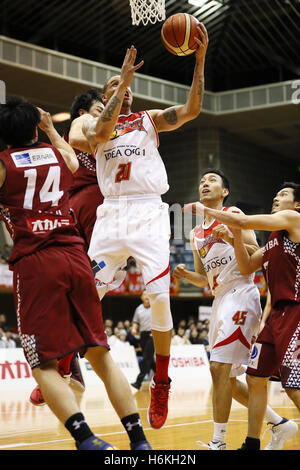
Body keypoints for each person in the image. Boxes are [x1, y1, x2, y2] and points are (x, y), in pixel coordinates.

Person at [73, 32, 209, 430]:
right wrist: (124, 80)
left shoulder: (148, 120)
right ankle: (66, 362)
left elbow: (192, 109)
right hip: (112, 213)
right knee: (87, 291)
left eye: (127, 85)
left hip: (148, 211)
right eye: (115, 85)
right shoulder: (92, 126)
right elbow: (99, 134)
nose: (125, 89)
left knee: (160, 301)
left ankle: (161, 381)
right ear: (107, 93)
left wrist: (199, 59)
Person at [0, 97, 151, 451]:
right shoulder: (58, 155)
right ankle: (139, 440)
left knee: (42, 364)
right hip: (76, 254)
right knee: (101, 353)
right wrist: (51, 128)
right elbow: (71, 158)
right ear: (35, 127)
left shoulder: (4, 165)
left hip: (37, 261)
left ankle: (85, 439)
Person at [174, 169, 293, 450]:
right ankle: (279, 424)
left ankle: (219, 442)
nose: (205, 183)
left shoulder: (233, 212)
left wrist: (230, 234)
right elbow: (204, 278)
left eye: (212, 180)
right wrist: (185, 275)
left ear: (224, 192)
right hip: (219, 299)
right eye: (202, 180)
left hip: (242, 292)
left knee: (219, 368)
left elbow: (255, 250)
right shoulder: (194, 233)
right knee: (226, 376)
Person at [29, 89, 106, 405]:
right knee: (71, 293)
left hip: (107, 211)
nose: (105, 111)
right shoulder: (74, 133)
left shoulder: (116, 131)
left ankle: (65, 364)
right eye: (100, 107)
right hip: (77, 207)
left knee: (84, 294)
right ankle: (64, 364)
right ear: (83, 112)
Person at [131, 290, 156, 391]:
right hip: (143, 336)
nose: (146, 296)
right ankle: (164, 379)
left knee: (146, 359)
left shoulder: (155, 307)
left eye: (148, 294)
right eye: (144, 294)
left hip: (152, 334)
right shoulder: (138, 309)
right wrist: (134, 328)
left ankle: (138, 382)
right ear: (141, 297)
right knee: (150, 360)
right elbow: (135, 321)